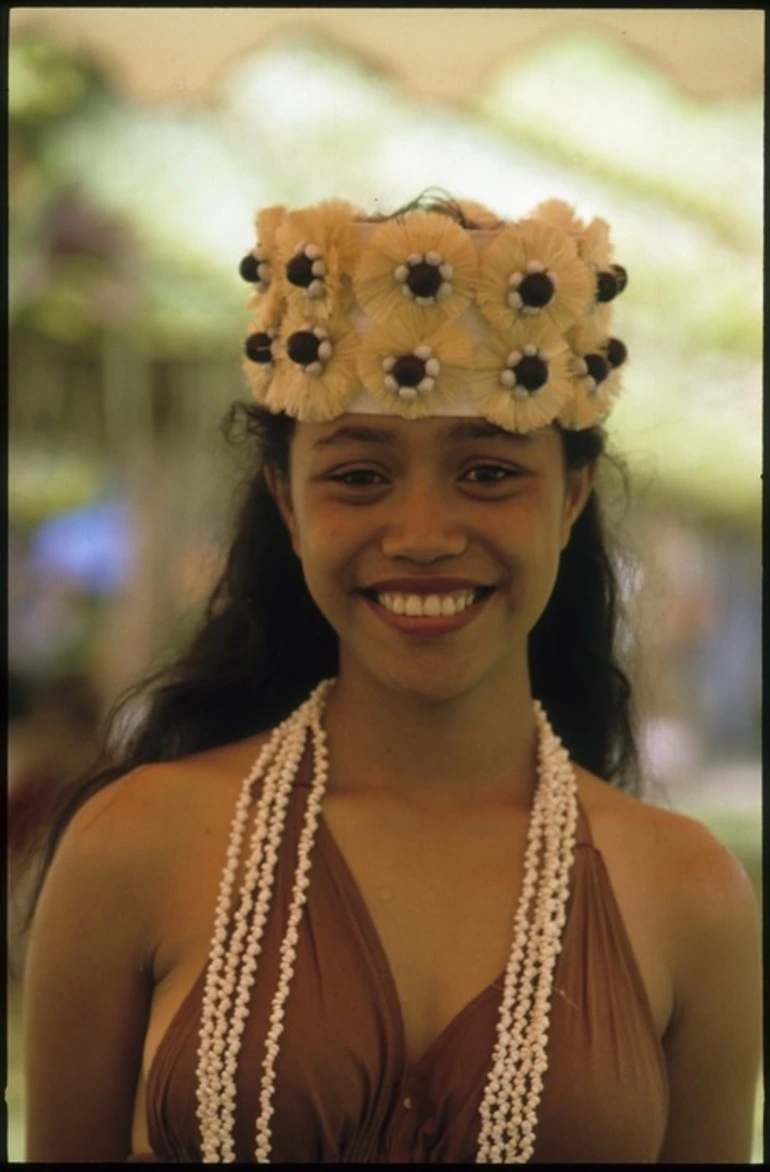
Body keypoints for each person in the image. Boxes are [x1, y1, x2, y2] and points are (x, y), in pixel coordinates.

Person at [23, 193, 760, 1164]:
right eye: (359, 475)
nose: (420, 534)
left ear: (570, 495)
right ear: (287, 503)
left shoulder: (687, 892)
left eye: (488, 471)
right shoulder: (128, 847)